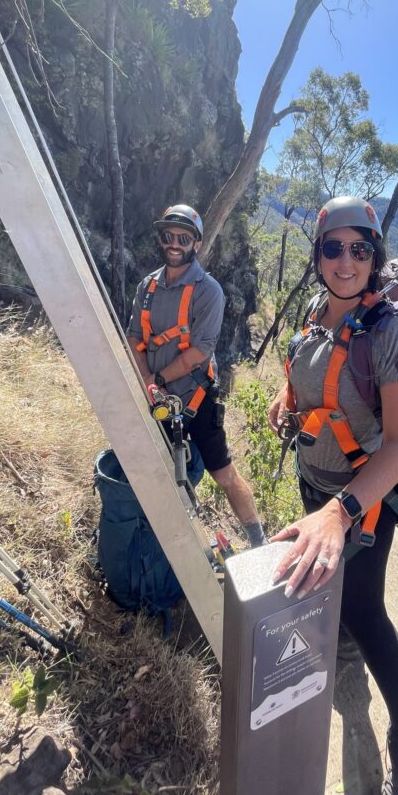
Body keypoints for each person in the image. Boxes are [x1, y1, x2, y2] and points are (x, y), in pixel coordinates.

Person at [267, 196, 398, 795]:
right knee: (342, 602)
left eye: (360, 249)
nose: (346, 260)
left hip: (362, 503)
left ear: (373, 257)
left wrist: (340, 514)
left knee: (367, 614)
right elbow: (320, 379)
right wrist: (286, 401)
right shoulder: (317, 314)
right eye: (333, 248)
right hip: (319, 489)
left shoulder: (392, 336)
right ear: (319, 255)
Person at [127, 203, 265, 548]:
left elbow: (199, 353)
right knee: (154, 469)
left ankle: (257, 538)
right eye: (169, 236)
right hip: (156, 397)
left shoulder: (208, 291)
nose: (175, 243)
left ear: (196, 244)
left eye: (184, 237)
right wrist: (147, 382)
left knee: (223, 473)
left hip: (195, 397)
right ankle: (163, 539)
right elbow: (134, 338)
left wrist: (156, 380)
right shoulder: (148, 287)